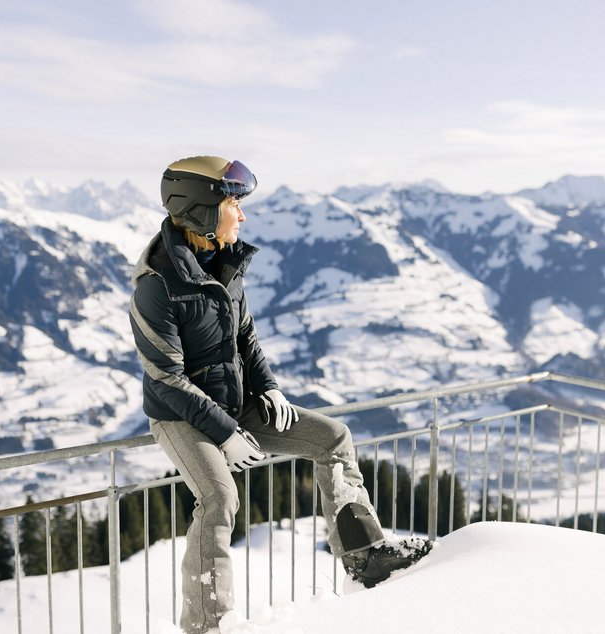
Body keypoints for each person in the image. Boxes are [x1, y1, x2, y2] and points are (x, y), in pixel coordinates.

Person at [129, 156, 430, 633]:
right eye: (233, 203)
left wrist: (268, 387)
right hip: (180, 415)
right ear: (203, 210)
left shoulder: (225, 264)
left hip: (237, 403)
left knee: (333, 438)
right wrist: (224, 432)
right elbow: (167, 379)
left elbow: (244, 337)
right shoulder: (157, 285)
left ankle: (364, 554)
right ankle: (207, 624)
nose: (242, 215)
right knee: (218, 497)